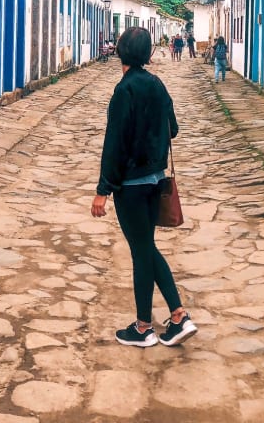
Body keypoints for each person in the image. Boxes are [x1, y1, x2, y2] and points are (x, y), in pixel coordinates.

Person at [91, 27, 198, 348]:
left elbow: (115, 145)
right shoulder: (156, 84)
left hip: (132, 186)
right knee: (145, 248)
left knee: (142, 251)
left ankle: (146, 326)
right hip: (155, 180)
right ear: (149, 53)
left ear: (120, 52)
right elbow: (173, 129)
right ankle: (175, 317)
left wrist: (103, 190)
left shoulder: (125, 91)